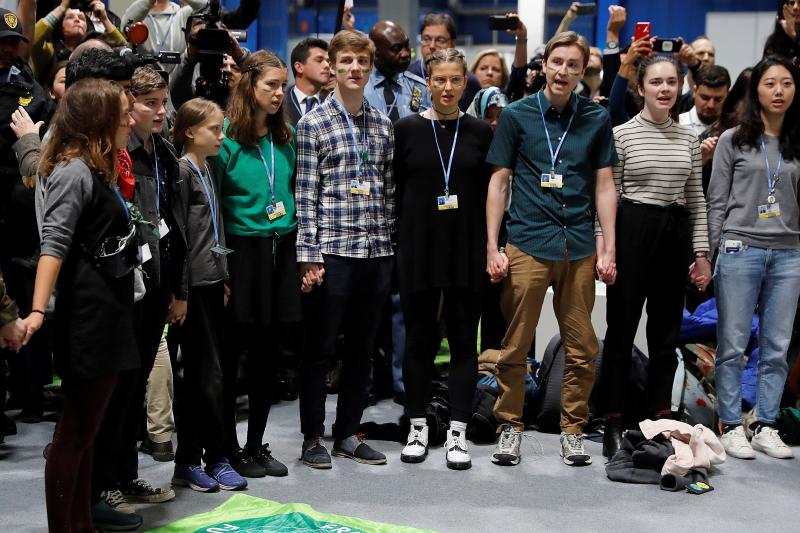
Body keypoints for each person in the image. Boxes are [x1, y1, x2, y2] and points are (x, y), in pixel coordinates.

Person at [486, 31, 617, 467]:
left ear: (583, 71)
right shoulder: (517, 115)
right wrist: (493, 245)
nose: (563, 71)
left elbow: (603, 185)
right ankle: (509, 426)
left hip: (577, 246)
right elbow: (499, 182)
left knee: (583, 346)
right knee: (516, 343)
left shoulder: (596, 119)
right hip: (526, 241)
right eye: (556, 62)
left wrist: (608, 248)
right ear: (544, 65)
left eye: (573, 65)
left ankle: (573, 429)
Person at [21, 77, 140, 533]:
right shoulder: (74, 171)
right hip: (87, 318)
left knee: (87, 434)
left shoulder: (95, 167)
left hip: (107, 311)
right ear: (99, 120)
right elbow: (54, 242)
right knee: (74, 435)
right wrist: (35, 310)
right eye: (123, 113)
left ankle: (81, 525)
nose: (130, 120)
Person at [599, 56, 711, 459]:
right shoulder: (622, 135)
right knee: (620, 332)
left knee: (665, 337)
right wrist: (606, 247)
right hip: (632, 230)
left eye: (671, 82)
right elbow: (607, 199)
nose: (664, 89)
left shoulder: (688, 140)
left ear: (680, 87)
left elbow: (696, 199)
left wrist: (701, 253)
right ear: (641, 87)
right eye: (655, 82)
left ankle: (660, 417)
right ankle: (613, 416)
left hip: (673, 234)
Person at [295, 29, 394, 469]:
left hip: (375, 251)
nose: (355, 69)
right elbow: (305, 194)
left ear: (370, 68)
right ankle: (313, 436)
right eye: (347, 61)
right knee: (319, 349)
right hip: (331, 252)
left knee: (362, 348)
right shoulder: (311, 123)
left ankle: (348, 432)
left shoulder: (383, 125)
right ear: (332, 66)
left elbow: (388, 192)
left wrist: (390, 246)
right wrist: (308, 254)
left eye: (363, 62)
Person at [394, 48, 493, 470]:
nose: (448, 88)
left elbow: (493, 193)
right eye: (439, 80)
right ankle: (417, 425)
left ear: (465, 81)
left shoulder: (480, 133)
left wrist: (493, 245)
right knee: (418, 341)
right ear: (427, 83)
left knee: (463, 345)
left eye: (455, 80)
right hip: (419, 248)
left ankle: (457, 432)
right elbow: (395, 191)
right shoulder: (406, 130)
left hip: (466, 250)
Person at [91, 66, 182, 516]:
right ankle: (104, 482)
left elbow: (176, 226)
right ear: (129, 105)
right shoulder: (115, 155)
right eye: (151, 104)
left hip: (158, 285)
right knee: (117, 390)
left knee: (135, 387)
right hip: (126, 288)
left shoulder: (163, 152)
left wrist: (177, 289)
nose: (161, 111)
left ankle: (125, 475)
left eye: (165, 102)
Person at [708, 56, 800, 461]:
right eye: (770, 83)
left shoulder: (799, 141)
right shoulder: (734, 139)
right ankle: (729, 424)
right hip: (739, 247)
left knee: (777, 346)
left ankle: (765, 423)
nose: (778, 91)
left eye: (786, 83)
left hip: (789, 252)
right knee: (732, 344)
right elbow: (716, 202)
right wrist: (711, 253)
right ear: (756, 90)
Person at [212, 50, 295, 479]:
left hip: (280, 252)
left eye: (283, 86)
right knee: (231, 357)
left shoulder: (285, 139)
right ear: (249, 86)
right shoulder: (224, 138)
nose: (279, 93)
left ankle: (255, 444)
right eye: (271, 86)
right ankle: (225, 448)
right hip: (239, 255)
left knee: (267, 356)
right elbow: (211, 208)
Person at [170, 97, 248, 492]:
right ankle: (199, 459)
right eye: (214, 130)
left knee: (215, 375)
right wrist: (180, 292)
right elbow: (181, 237)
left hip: (215, 282)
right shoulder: (182, 171)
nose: (221, 136)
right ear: (189, 132)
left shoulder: (210, 167)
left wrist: (225, 274)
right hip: (193, 290)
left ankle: (204, 458)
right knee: (205, 377)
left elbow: (214, 230)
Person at [32, 0, 126, 81]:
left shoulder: (94, 49)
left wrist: (104, 19)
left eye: (81, 18)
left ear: (87, 27)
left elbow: (123, 47)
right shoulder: (50, 51)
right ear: (60, 26)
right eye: (70, 17)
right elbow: (33, 39)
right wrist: (62, 8)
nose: (77, 20)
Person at [407, 13, 481, 111]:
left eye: (440, 40)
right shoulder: (407, 76)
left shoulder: (468, 82)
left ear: (453, 44)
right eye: (427, 39)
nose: (432, 46)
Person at [365, 20, 430, 122]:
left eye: (407, 46)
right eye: (396, 49)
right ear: (375, 52)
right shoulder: (359, 88)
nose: (405, 54)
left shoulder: (419, 87)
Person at [121, 0, 207, 74]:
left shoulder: (182, 13)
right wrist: (148, 2)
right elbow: (125, 28)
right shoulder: (139, 13)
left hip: (179, 75)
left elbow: (207, 7)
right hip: (148, 77)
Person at [286, 37, 330, 127]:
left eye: (328, 61)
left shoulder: (333, 104)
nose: (327, 65)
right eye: (319, 60)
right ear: (299, 67)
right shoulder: (280, 103)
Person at [679, 65, 731, 138]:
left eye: (718, 99)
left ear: (728, 96)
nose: (711, 105)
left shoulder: (734, 130)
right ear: (694, 91)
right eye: (705, 98)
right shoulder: (675, 126)